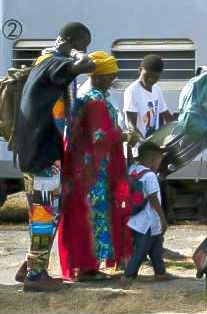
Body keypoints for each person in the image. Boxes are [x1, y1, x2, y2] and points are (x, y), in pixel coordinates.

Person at [15, 23, 95, 292]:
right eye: (83, 44)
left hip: (38, 150)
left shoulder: (43, 61)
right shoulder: (53, 62)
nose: (85, 50)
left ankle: (30, 265)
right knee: (44, 212)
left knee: (48, 210)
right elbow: (87, 67)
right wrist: (75, 54)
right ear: (70, 41)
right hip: (42, 153)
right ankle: (36, 275)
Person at [58, 51, 132, 282]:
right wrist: (123, 135)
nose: (112, 81)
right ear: (99, 77)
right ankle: (86, 269)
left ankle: (83, 267)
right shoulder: (96, 101)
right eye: (110, 77)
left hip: (82, 169)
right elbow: (99, 136)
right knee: (92, 218)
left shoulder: (87, 97)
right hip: (93, 173)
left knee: (83, 216)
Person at [123, 141, 172, 283]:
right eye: (158, 162)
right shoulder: (150, 176)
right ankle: (128, 275)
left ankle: (160, 272)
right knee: (142, 249)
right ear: (152, 161)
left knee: (156, 247)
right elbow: (153, 199)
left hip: (135, 219)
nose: (159, 166)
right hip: (148, 221)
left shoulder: (133, 169)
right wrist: (163, 219)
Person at [123, 54, 174, 153]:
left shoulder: (156, 89)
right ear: (140, 70)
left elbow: (166, 115)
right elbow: (131, 126)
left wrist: (179, 129)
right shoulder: (132, 91)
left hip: (153, 148)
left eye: (155, 77)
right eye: (148, 76)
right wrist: (145, 144)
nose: (151, 80)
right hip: (138, 151)